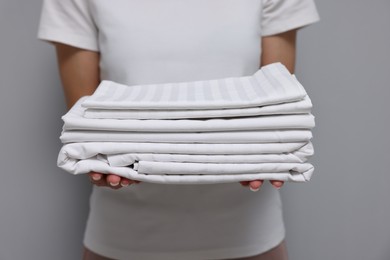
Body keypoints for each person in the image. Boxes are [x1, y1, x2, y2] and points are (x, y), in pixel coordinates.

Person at [38, 1, 319, 259]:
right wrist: (95, 158)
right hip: (120, 239)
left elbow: (276, 101)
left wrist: (269, 158)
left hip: (251, 236)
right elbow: (85, 119)